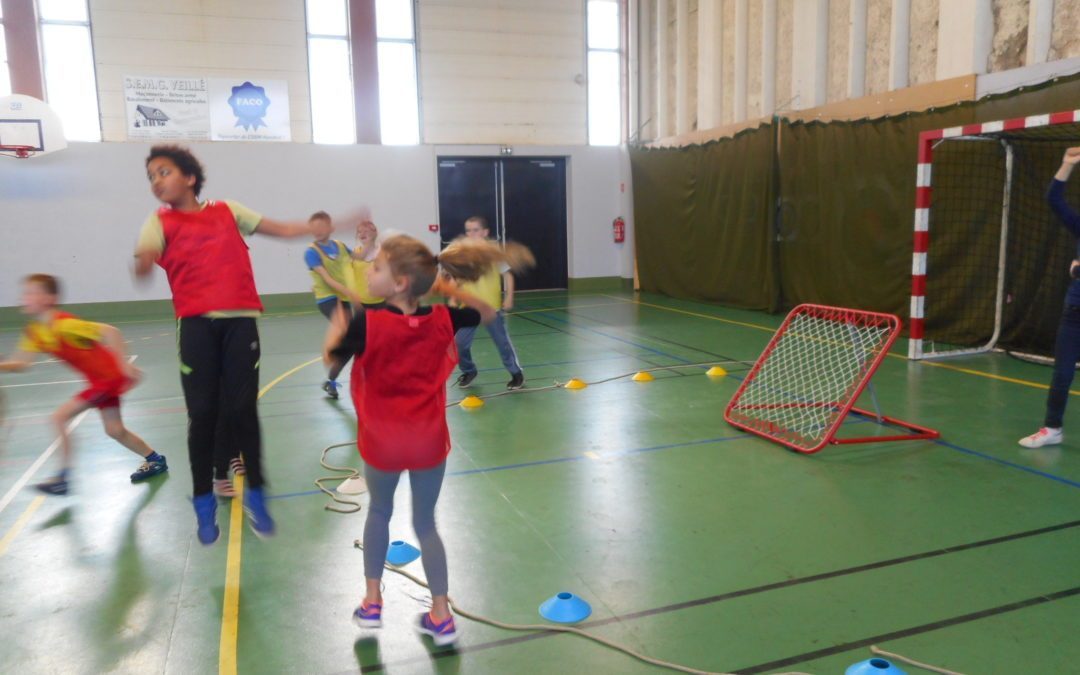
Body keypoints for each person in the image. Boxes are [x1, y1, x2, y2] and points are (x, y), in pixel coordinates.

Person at [324, 234, 516, 646]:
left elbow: (331, 360)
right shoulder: (446, 319)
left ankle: (373, 603)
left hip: (383, 442)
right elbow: (487, 310)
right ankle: (442, 614)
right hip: (428, 442)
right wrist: (442, 285)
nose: (369, 271)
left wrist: (337, 331)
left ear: (398, 284)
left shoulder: (366, 322)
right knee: (426, 523)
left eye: (376, 268)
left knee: (379, 511)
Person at [134, 144, 316, 544]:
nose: (156, 182)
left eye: (163, 172)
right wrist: (144, 259)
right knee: (203, 415)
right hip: (196, 326)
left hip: (239, 324)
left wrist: (313, 227)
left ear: (190, 178)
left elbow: (281, 230)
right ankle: (203, 502)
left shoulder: (227, 210)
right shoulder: (158, 221)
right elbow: (145, 256)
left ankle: (257, 493)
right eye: (151, 177)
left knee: (242, 411)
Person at [0, 274, 166, 495]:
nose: (25, 297)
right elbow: (22, 363)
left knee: (58, 417)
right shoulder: (34, 332)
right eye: (25, 293)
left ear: (50, 298)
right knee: (114, 430)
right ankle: (155, 460)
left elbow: (111, 332)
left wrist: (123, 366)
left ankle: (62, 478)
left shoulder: (65, 325)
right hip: (100, 381)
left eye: (32, 292)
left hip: (108, 379)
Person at [1019, 146, 1080, 449]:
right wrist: (1066, 164)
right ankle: (1052, 428)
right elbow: (1054, 199)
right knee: (1062, 374)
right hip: (1075, 311)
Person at [450, 217, 525, 390]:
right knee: (459, 343)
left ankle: (516, 373)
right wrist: (453, 298)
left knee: (502, 342)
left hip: (491, 308)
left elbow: (508, 275)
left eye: (475, 230)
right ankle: (469, 370)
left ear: (485, 232)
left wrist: (509, 297)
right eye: (468, 230)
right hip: (468, 309)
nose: (471, 234)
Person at [305, 210, 356, 399]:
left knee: (352, 342)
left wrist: (371, 245)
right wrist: (351, 292)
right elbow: (327, 280)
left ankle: (331, 381)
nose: (317, 231)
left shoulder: (341, 246)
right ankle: (330, 349)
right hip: (327, 299)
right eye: (314, 228)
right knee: (347, 329)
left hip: (343, 299)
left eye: (321, 227)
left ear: (330, 228)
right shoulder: (311, 252)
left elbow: (359, 262)